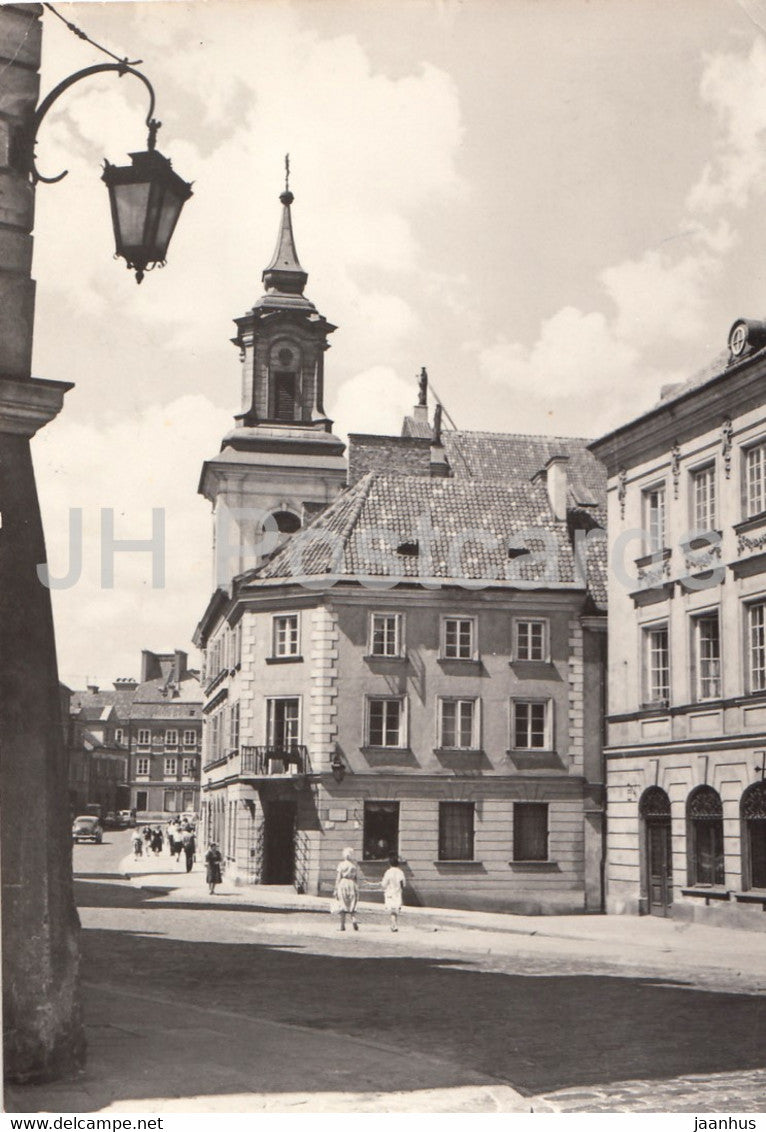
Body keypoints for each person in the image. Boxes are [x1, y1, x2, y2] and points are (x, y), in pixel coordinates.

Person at [333, 847, 363, 931]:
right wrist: (356, 887)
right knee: (352, 903)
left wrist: (336, 889)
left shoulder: (341, 865)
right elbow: (356, 878)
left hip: (343, 883)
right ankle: (354, 920)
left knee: (342, 903)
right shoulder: (354, 866)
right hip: (352, 883)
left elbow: (338, 877)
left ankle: (342, 926)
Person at [381, 852, 406, 932]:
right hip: (397, 893)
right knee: (395, 910)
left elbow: (384, 884)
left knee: (392, 910)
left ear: (390, 863)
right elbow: (403, 883)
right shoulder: (400, 872)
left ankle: (394, 925)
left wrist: (384, 888)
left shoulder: (388, 872)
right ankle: (393, 925)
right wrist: (400, 889)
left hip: (390, 893)